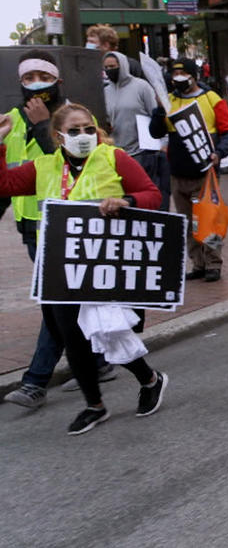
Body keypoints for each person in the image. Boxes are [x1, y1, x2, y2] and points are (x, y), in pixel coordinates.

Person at [0, 104, 167, 435]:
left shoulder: (113, 157)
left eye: (88, 128)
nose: (83, 136)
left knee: (108, 331)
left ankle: (150, 379)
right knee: (71, 336)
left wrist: (126, 202)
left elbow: (152, 195)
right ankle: (95, 405)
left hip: (105, 263)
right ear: (58, 136)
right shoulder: (44, 167)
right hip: (61, 267)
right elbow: (4, 185)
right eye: (74, 131)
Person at [2, 51, 115, 409]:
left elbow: (83, 161)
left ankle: (35, 382)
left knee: (55, 301)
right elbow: (10, 178)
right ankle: (97, 361)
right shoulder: (12, 120)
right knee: (69, 298)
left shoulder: (78, 118)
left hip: (73, 222)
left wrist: (42, 125)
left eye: (42, 75)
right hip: (33, 225)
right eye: (28, 77)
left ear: (58, 80)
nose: (36, 83)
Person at [152, 58, 228, 282]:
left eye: (182, 73)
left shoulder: (211, 99)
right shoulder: (168, 101)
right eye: (174, 73)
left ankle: (213, 264)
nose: (178, 77)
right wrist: (159, 111)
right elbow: (155, 131)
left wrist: (219, 153)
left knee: (210, 220)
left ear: (193, 75)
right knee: (187, 223)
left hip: (205, 173)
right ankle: (197, 263)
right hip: (177, 173)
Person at [102, 51, 170, 210]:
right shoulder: (105, 91)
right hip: (117, 152)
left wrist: (162, 143)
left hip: (141, 152)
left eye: (112, 66)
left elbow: (156, 114)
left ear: (122, 65)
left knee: (143, 194)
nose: (109, 70)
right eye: (106, 67)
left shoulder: (141, 87)